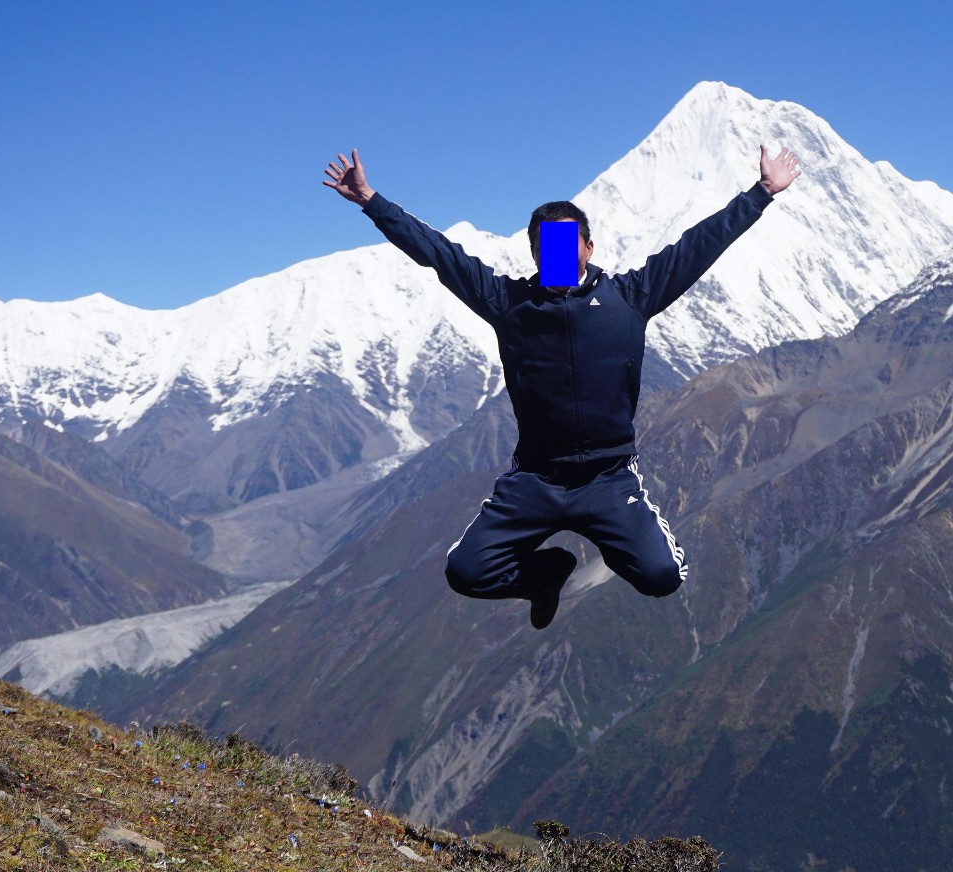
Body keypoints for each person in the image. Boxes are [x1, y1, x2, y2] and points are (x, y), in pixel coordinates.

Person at [324, 143, 801, 628]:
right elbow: (440, 256)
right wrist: (371, 201)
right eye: (542, 247)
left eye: (564, 242)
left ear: (588, 248)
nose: (551, 254)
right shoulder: (508, 303)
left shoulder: (631, 297)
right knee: (465, 572)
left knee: (663, 577)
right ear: (532, 252)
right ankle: (546, 573)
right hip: (535, 479)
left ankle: (619, 542)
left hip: (608, 479)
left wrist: (762, 192)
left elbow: (698, 247)